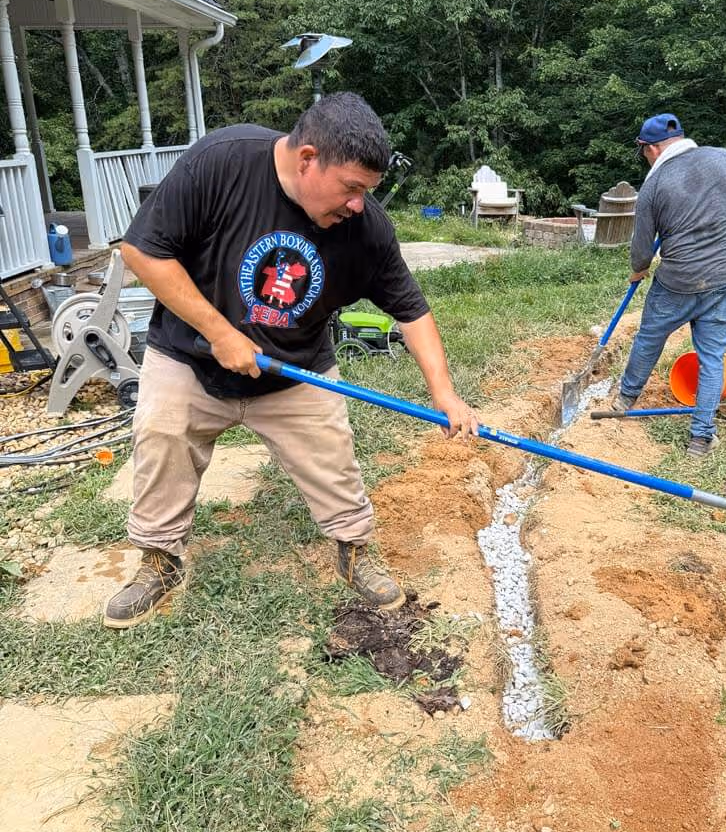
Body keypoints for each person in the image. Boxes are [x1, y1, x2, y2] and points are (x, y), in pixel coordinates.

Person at [103, 92, 479, 628]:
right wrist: (219, 331)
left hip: (295, 369)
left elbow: (412, 310)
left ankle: (354, 551)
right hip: (190, 355)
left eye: (366, 192)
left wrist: (444, 393)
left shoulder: (365, 227)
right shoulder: (223, 161)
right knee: (162, 439)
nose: (357, 204)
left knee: (333, 462)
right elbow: (142, 251)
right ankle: (160, 560)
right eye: (351, 188)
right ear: (307, 159)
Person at [612, 112, 726, 456]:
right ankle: (700, 438)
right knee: (712, 358)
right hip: (724, 278)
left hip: (677, 282)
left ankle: (624, 400)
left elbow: (641, 246)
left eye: (643, 152)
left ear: (650, 148)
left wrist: (639, 269)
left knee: (649, 337)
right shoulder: (725, 159)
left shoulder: (653, 184)